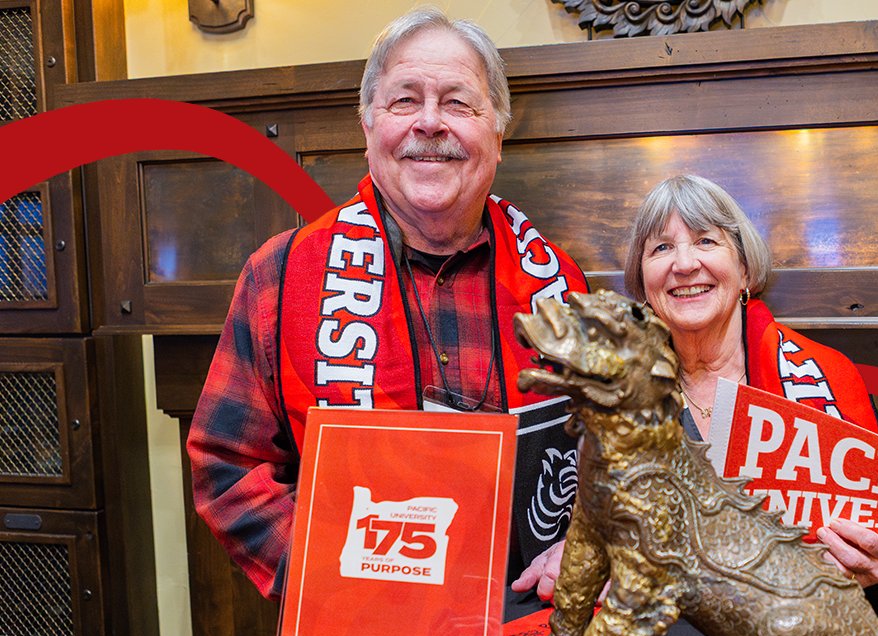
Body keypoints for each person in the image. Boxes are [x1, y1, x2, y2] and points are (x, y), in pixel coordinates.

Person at [514, 175, 878, 636]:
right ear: (643, 282)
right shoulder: (616, 395)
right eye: (661, 247)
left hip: (812, 628)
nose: (684, 263)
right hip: (670, 629)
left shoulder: (825, 378)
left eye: (706, 241)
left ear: (745, 270)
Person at [187, 7, 588, 601]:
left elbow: (612, 457)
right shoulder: (280, 276)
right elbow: (226, 466)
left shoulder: (564, 288)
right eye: (405, 101)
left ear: (497, 136)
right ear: (369, 126)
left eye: (458, 103)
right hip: (354, 618)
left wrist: (584, 546)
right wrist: (334, 579)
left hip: (531, 618)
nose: (430, 122)